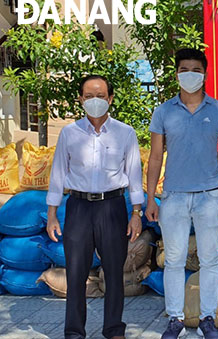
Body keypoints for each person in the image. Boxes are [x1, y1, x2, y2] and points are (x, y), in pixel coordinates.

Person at [145, 48, 218, 339]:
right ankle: (175, 319)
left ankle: (208, 318)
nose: (190, 75)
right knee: (174, 259)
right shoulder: (163, 111)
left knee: (210, 259)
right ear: (176, 74)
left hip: (210, 195)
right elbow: (156, 157)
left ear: (205, 74)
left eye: (196, 70)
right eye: (185, 69)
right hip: (173, 196)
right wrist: (150, 198)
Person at [46, 75, 144, 339]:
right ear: (80, 99)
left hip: (112, 207)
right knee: (76, 274)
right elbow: (57, 174)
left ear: (110, 99)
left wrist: (136, 213)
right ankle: (74, 331)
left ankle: (113, 329)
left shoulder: (125, 133)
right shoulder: (69, 133)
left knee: (114, 273)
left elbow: (135, 174)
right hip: (78, 207)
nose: (95, 101)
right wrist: (52, 214)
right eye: (88, 96)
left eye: (100, 96)